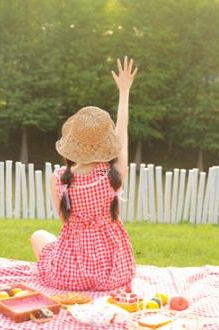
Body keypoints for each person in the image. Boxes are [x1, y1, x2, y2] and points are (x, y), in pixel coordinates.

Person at [31, 56, 138, 291]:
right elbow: (123, 134)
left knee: (38, 236)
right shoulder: (113, 176)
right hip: (114, 272)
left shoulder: (58, 178)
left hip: (71, 274)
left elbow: (64, 221)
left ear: (71, 144)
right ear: (106, 145)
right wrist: (124, 91)